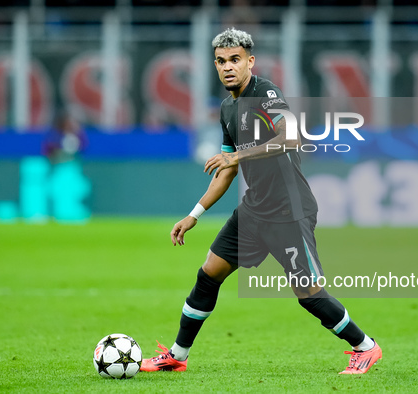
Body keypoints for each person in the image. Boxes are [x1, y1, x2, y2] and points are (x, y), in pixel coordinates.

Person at [140, 27, 382, 375]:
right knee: (209, 273)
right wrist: (195, 213)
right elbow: (225, 171)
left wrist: (239, 156)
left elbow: (291, 137)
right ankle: (177, 355)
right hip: (254, 210)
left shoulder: (265, 93)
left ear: (250, 61)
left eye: (235, 60)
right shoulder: (227, 109)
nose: (228, 67)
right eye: (221, 61)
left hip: (289, 210)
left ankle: (366, 347)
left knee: (309, 294)